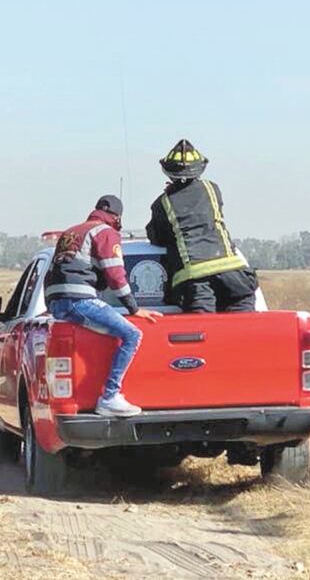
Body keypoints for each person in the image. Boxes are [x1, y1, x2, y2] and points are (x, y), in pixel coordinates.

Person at [45, 195, 162, 417]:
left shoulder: (72, 232)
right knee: (132, 334)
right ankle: (109, 397)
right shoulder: (106, 232)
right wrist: (134, 309)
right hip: (80, 299)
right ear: (116, 217)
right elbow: (115, 275)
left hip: (59, 302)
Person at [146, 139, 258, 313]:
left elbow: (157, 237)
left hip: (196, 281)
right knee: (241, 329)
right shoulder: (212, 188)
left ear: (169, 173)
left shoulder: (163, 204)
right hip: (234, 276)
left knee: (203, 333)